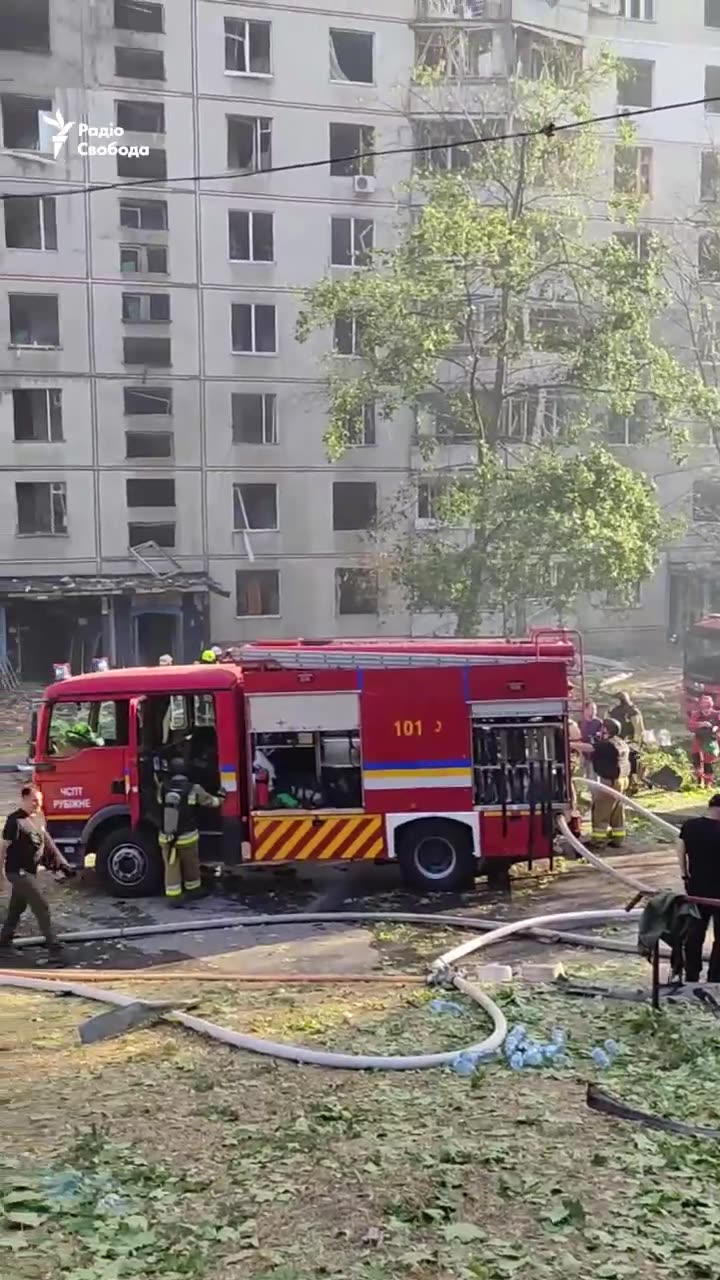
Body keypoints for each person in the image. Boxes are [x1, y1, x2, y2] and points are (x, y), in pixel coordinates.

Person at [0, 785, 72, 959]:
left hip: (31, 872)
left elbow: (47, 844)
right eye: (33, 800)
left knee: (17, 907)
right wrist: (0, 876)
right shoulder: (14, 821)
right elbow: (2, 849)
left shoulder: (39, 818)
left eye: (39, 801)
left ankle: (3, 942)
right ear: (23, 799)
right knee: (41, 906)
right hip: (17, 872)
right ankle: (54, 950)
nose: (37, 804)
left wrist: (61, 866)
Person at [157, 758, 224, 905]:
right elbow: (211, 802)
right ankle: (193, 890)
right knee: (191, 864)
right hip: (187, 836)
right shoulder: (194, 788)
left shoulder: (162, 787)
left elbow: (159, 802)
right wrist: (222, 797)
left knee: (171, 865)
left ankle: (174, 896)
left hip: (167, 837)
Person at [677, 794, 720, 983]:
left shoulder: (690, 826)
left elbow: (680, 849)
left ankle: (691, 975)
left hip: (696, 889)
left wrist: (684, 874)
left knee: (694, 935)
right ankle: (715, 978)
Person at [576, 717, 630, 848]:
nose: (599, 731)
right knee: (617, 811)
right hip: (622, 780)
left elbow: (590, 748)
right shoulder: (620, 742)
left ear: (607, 730)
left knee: (601, 810)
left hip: (610, 782)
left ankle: (598, 841)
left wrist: (570, 744)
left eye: (602, 728)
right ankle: (618, 839)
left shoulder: (607, 744)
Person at [610, 690, 645, 795]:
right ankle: (631, 785)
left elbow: (638, 729)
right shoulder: (632, 711)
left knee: (626, 763)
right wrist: (638, 742)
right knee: (630, 763)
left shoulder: (618, 711)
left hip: (621, 742)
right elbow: (639, 729)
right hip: (626, 741)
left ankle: (629, 785)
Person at [689, 695, 720, 789]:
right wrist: (701, 724)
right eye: (704, 708)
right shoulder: (696, 714)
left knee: (708, 761)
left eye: (708, 708)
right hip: (699, 738)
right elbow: (691, 726)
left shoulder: (716, 714)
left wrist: (716, 728)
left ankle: (708, 784)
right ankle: (699, 782)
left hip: (712, 739)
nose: (706, 710)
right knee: (697, 758)